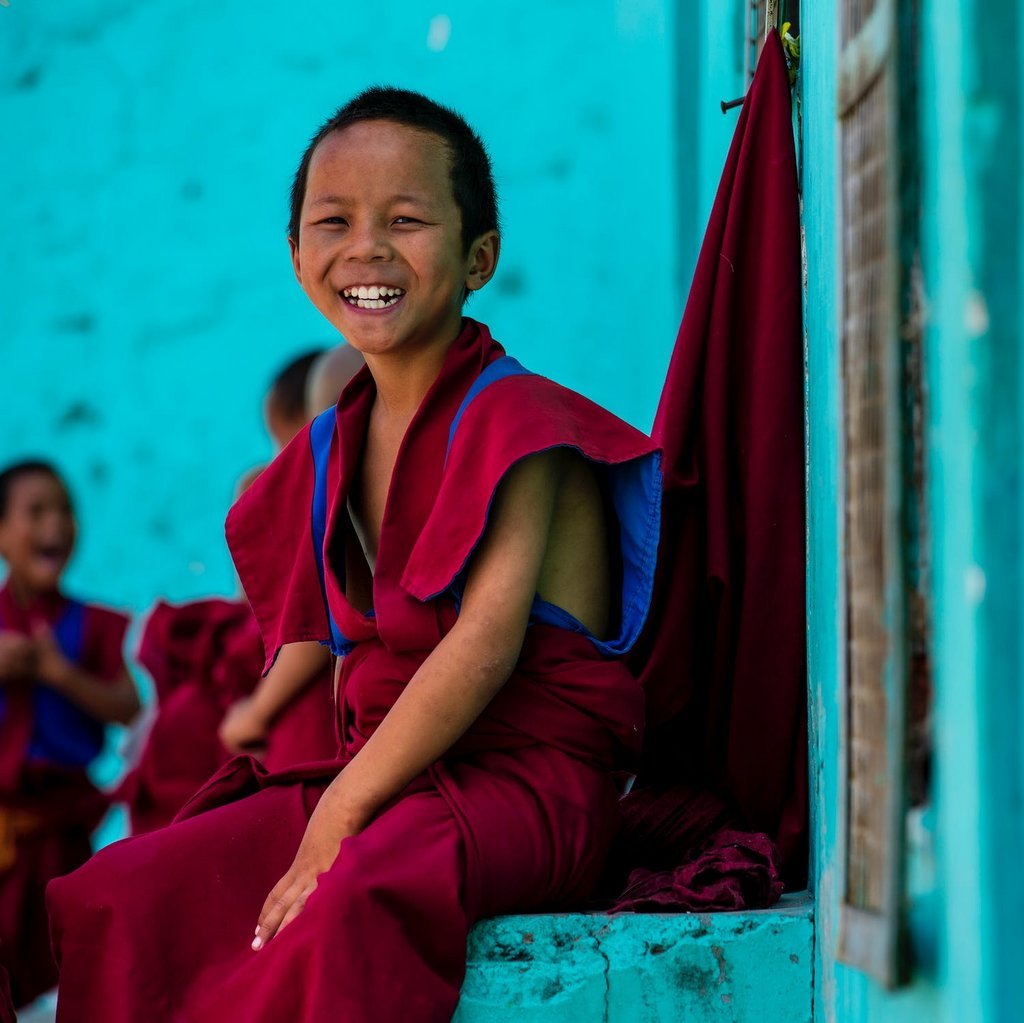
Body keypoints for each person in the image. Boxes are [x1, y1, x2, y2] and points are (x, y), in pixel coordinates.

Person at [47, 87, 662, 1022]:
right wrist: (322, 791)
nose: (367, 247)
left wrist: (335, 819)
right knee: (128, 891)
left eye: (407, 219)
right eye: (332, 221)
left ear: (479, 257)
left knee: (340, 907)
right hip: (389, 776)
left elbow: (481, 648)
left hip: (525, 786)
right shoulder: (332, 445)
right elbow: (321, 636)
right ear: (298, 256)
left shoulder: (521, 424)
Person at [0, 461, 139, 1009]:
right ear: (2, 532)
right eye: (36, 512)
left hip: (63, 833)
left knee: (71, 967)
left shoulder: (99, 624)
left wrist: (61, 675)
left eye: (65, 510)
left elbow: (129, 707)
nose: (56, 523)